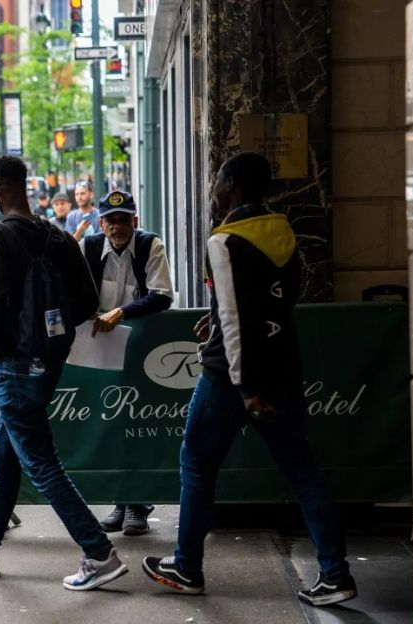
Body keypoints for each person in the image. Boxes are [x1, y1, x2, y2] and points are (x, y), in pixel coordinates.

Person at [142, 152, 356, 606]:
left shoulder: (224, 241)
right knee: (302, 471)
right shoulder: (283, 230)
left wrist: (245, 388)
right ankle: (336, 574)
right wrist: (217, 322)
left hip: (231, 378)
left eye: (219, 179)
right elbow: (272, 304)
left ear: (233, 184)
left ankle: (186, 567)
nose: (215, 188)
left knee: (197, 462)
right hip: (284, 364)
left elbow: (238, 321)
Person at [0, 155, 126, 591]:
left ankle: (98, 551)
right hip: (48, 362)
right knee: (8, 454)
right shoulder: (58, 237)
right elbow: (86, 301)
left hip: (11, 365)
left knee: (40, 462)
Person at [79, 190, 174, 536]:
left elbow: (162, 295)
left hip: (144, 348)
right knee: (112, 424)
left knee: (137, 423)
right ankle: (121, 500)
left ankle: (139, 505)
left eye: (123, 219)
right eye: (110, 220)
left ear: (135, 221)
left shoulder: (151, 246)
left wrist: (120, 313)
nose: (117, 226)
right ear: (101, 223)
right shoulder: (89, 248)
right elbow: (75, 291)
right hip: (102, 349)